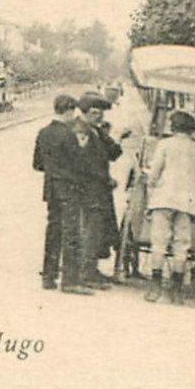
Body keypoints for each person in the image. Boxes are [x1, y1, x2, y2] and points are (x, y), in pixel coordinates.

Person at [142, 110, 195, 304]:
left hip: (163, 199)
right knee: (182, 246)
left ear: (173, 127)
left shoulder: (164, 145)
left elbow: (153, 173)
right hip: (187, 202)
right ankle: (177, 291)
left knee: (159, 243)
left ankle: (155, 288)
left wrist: (151, 184)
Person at [33, 94, 82, 290]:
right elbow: (78, 164)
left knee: (53, 231)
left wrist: (53, 171)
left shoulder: (43, 132)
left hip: (51, 188)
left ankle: (49, 276)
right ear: (69, 110)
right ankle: (70, 282)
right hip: (69, 188)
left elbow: (37, 164)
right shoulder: (69, 135)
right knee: (70, 233)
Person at [76, 94, 125, 283]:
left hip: (98, 189)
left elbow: (113, 154)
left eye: (101, 113)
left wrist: (115, 137)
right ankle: (85, 273)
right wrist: (106, 178)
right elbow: (85, 163)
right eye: (95, 112)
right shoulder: (82, 131)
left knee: (97, 230)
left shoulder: (94, 131)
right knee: (89, 230)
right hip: (89, 189)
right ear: (85, 112)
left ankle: (92, 269)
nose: (100, 116)